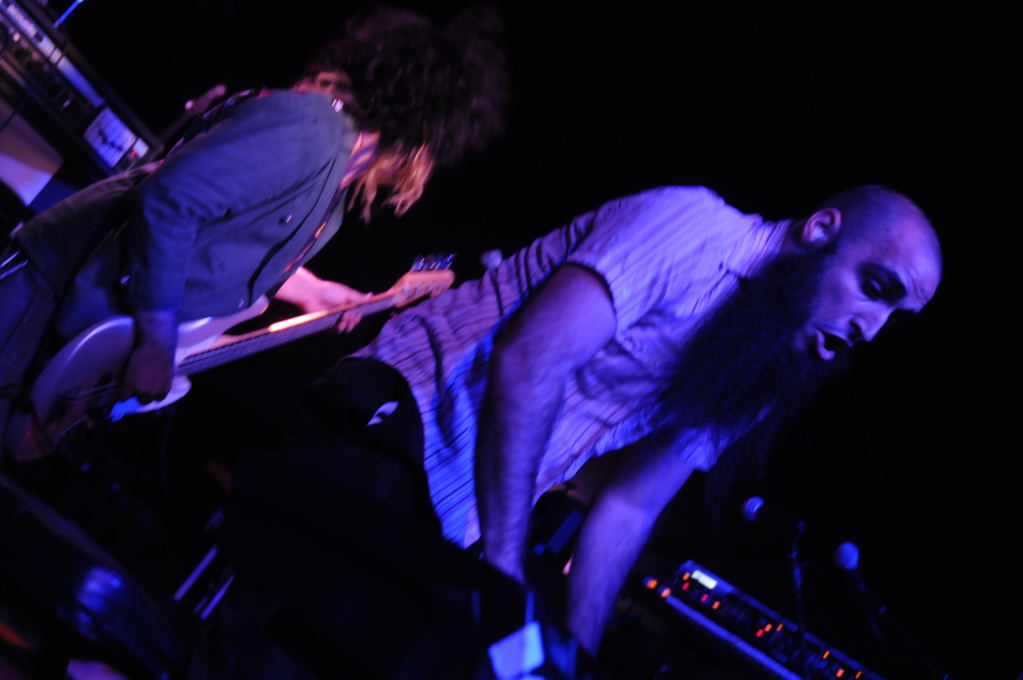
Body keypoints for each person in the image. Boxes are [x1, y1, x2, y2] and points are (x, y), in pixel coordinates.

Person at [302, 183, 942, 655]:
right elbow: (529, 362)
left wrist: (576, 656)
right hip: (391, 426)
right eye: (874, 287)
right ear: (820, 230)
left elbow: (630, 507)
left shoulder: (760, 364)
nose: (871, 328)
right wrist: (503, 567)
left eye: (894, 316)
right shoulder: (694, 228)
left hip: (459, 517)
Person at [0, 6, 507, 460]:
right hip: (47, 294)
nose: (427, 174)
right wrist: (156, 341)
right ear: (421, 135)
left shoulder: (333, 183)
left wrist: (313, 291)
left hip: (90, 323)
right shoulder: (310, 129)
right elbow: (170, 202)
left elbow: (229, 243)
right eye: (435, 155)